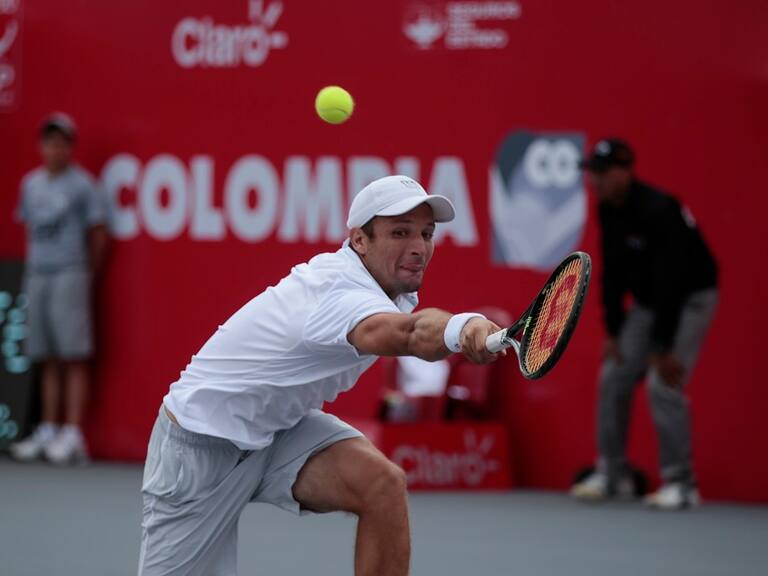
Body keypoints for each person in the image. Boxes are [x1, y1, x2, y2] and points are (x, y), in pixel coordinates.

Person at [138, 175, 505, 576]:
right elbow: (410, 332)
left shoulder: (390, 285)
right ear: (359, 240)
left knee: (382, 485)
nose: (418, 247)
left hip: (278, 430)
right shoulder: (337, 291)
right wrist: (463, 327)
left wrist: (460, 328)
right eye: (400, 232)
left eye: (426, 233)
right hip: (200, 445)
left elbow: (412, 322)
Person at [571, 138, 718, 509]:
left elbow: (671, 281)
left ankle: (682, 483)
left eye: (603, 173)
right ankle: (614, 474)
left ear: (625, 172)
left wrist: (664, 347)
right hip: (648, 302)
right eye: (593, 174)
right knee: (614, 373)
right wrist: (615, 332)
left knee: (661, 383)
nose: (596, 181)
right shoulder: (607, 209)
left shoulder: (659, 210)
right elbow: (612, 274)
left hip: (689, 299)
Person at [9, 113, 109, 464]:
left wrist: (84, 273)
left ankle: (72, 432)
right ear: (42, 147)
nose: (55, 148)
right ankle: (49, 428)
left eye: (62, 142)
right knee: (47, 356)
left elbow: (98, 234)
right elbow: (30, 232)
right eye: (50, 142)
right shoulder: (31, 184)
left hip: (70, 272)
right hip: (39, 274)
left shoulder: (82, 185)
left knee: (73, 355)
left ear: (70, 147)